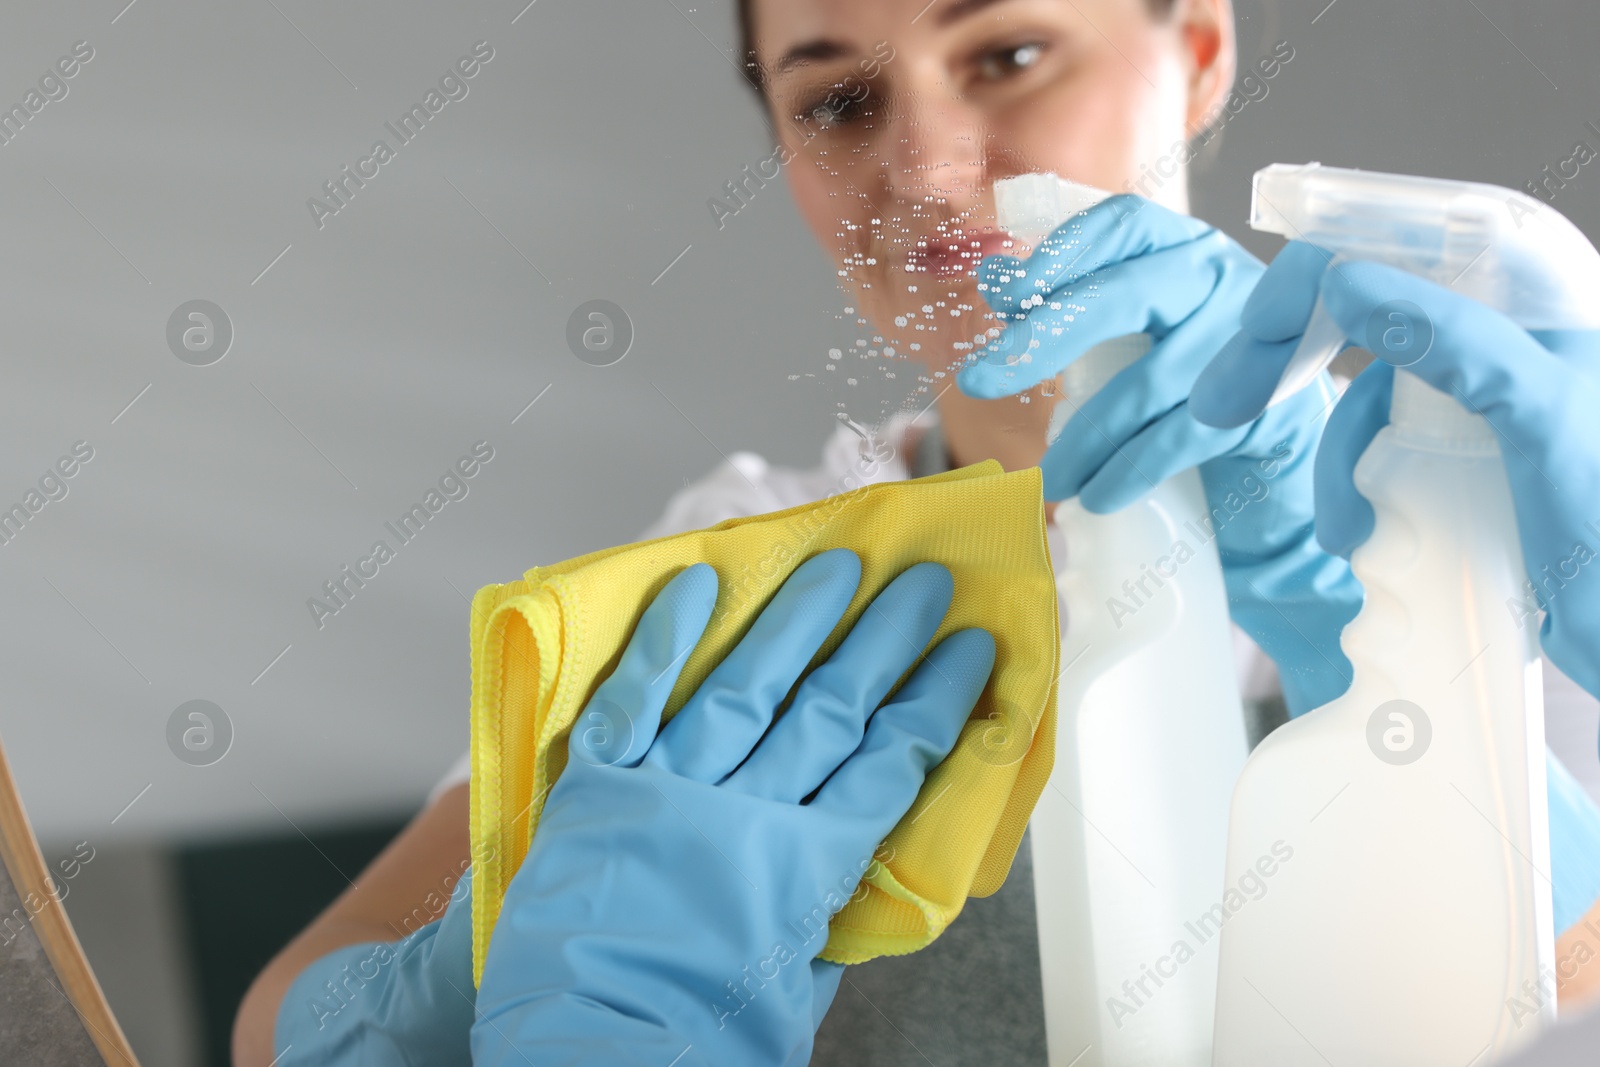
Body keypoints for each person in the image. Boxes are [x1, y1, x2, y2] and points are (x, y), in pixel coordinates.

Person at [232, 0, 1600, 1063]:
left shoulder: (1482, 495)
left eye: (1007, 51)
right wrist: (484, 968)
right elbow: (285, 1012)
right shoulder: (759, 560)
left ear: (1193, 49)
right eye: (837, 98)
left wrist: (1359, 630)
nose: (930, 169)